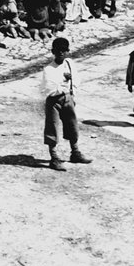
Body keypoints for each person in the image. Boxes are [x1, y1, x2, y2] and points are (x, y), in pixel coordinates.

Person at [40, 37, 93, 171]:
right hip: (54, 101)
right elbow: (49, 89)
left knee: (72, 125)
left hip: (68, 98)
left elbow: (76, 79)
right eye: (58, 50)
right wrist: (63, 82)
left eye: (64, 50)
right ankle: (54, 158)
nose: (61, 53)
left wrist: (72, 94)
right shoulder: (49, 69)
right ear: (53, 52)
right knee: (52, 127)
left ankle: (75, 152)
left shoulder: (69, 63)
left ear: (68, 51)